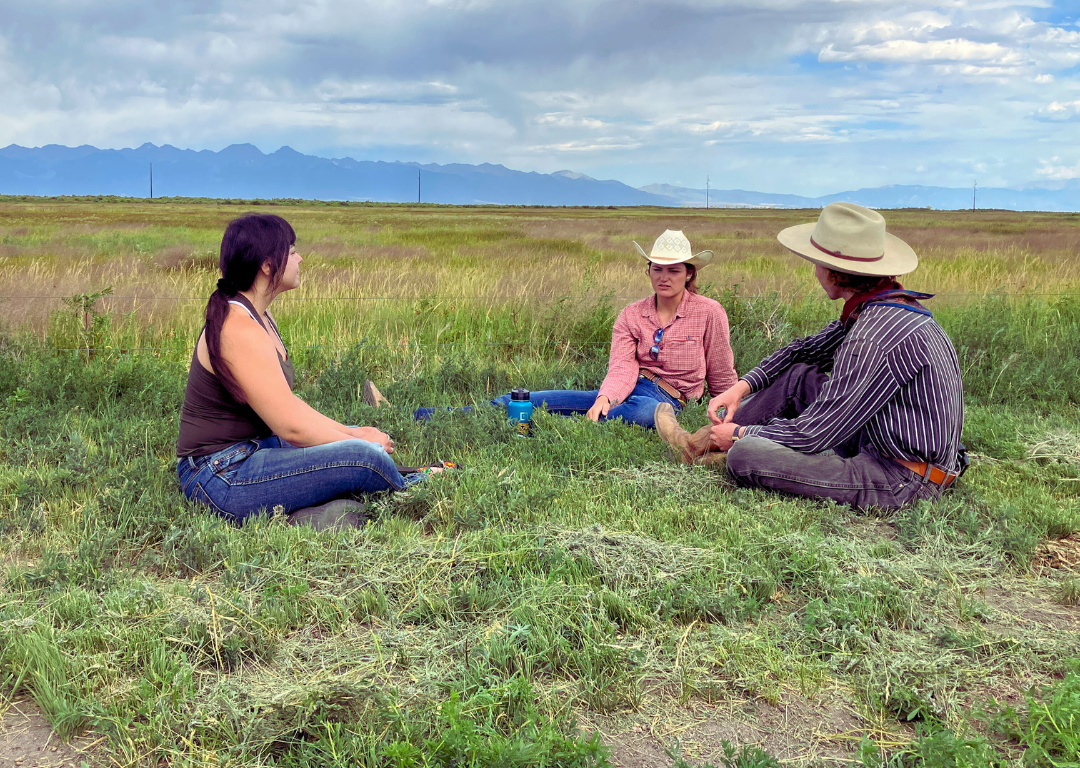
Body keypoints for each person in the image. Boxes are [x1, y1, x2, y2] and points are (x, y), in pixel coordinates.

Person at [701, 202, 965, 509]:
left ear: (833, 273)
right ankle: (704, 441)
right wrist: (741, 387)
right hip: (887, 442)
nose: (815, 270)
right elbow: (803, 351)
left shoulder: (871, 336)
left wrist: (740, 434)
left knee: (745, 455)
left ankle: (717, 441)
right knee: (799, 377)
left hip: (902, 478)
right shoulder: (882, 308)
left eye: (817, 262)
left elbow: (813, 434)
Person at [393, 229, 738, 454]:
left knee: (647, 414)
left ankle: (539, 432)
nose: (664, 277)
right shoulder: (631, 315)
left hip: (669, 398)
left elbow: (722, 375)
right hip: (626, 387)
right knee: (524, 399)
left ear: (690, 274)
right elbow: (622, 365)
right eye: (657, 269)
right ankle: (419, 415)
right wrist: (605, 397)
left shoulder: (709, 313)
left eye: (674, 270)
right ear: (647, 270)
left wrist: (727, 420)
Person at [176, 213, 421, 527]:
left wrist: (354, 433)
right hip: (221, 476)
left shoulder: (260, 316)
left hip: (257, 451)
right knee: (364, 458)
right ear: (267, 265)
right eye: (291, 251)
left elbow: (289, 408)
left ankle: (313, 514)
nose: (300, 258)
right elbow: (291, 428)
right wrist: (359, 443)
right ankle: (420, 487)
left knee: (354, 449)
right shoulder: (239, 328)